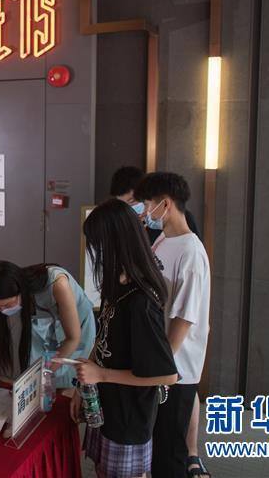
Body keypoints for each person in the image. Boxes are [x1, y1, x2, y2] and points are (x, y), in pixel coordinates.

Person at [71, 198, 179, 478]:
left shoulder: (141, 301)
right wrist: (83, 385)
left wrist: (101, 375)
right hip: (107, 404)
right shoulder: (116, 282)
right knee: (102, 470)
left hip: (129, 417)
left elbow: (166, 375)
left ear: (115, 243)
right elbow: (104, 336)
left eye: (97, 245)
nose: (94, 253)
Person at [136, 172, 211, 478]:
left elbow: (184, 318)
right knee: (157, 445)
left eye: (148, 204)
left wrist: (162, 366)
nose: (145, 211)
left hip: (176, 370)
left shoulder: (191, 252)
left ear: (165, 204)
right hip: (161, 360)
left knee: (170, 453)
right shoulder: (164, 239)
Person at [0, 261, 96, 395]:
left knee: (65, 376)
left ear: (22, 290)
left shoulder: (58, 284)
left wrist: (38, 378)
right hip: (49, 324)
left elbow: (72, 338)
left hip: (77, 327)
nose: (2, 310)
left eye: (7, 305)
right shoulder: (3, 294)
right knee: (42, 376)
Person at [108, 165, 200, 242]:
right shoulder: (121, 221)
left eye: (131, 201)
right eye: (122, 203)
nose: (127, 208)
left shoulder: (180, 219)